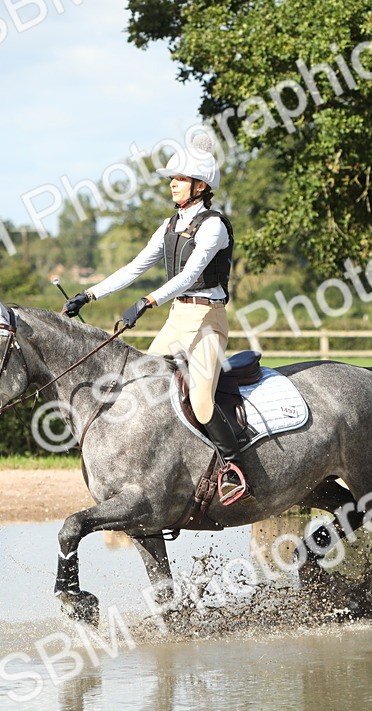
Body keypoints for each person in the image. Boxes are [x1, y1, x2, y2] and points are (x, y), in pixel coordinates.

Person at [62, 133, 248, 502]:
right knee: (140, 388)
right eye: (172, 179)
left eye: (179, 179)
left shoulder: (213, 226)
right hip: (178, 318)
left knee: (201, 401)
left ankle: (234, 467)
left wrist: (148, 301)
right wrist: (91, 294)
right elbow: (135, 266)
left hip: (208, 321)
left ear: (201, 185)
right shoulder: (168, 226)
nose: (172, 184)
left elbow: (190, 276)